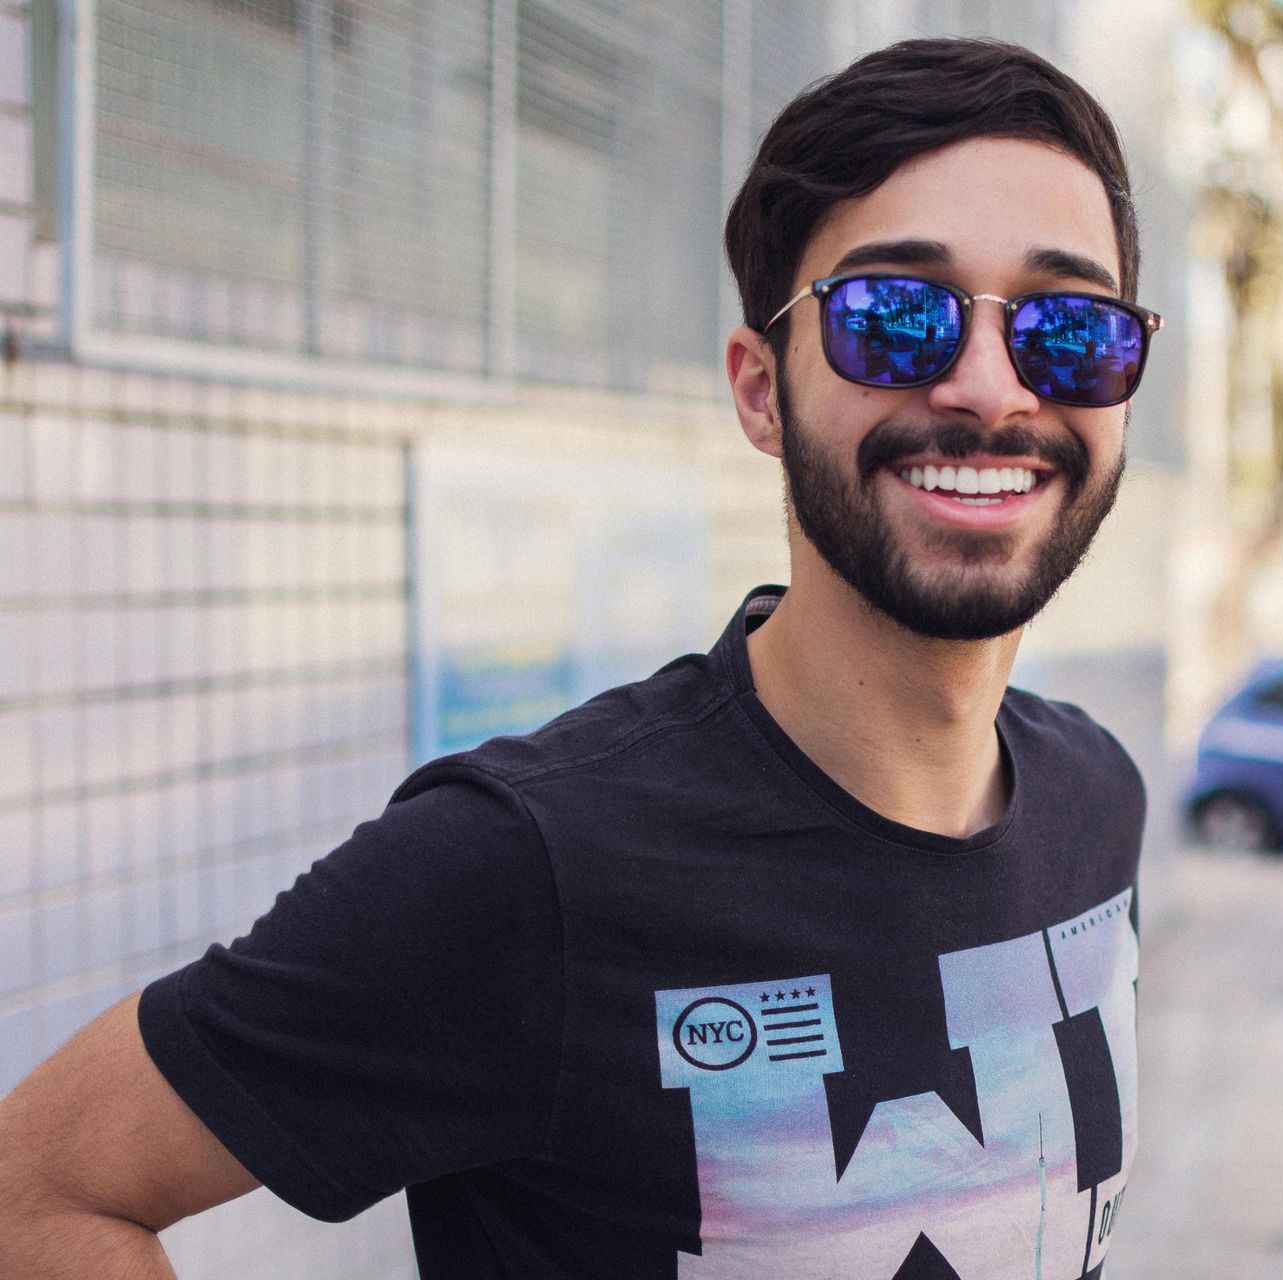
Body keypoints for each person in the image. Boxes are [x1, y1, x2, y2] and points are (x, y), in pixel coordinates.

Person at [0, 36, 1158, 1280]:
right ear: (761, 389)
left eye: (1068, 328)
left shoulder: (1097, 798)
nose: (991, 386)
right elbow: (38, 1192)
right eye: (896, 316)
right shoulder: (527, 862)